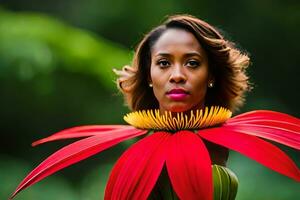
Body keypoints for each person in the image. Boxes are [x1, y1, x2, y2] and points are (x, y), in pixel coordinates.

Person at [11, 15, 299, 200]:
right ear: (148, 76)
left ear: (212, 75)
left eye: (192, 63)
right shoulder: (138, 152)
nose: (176, 75)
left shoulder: (248, 126)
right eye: (163, 63)